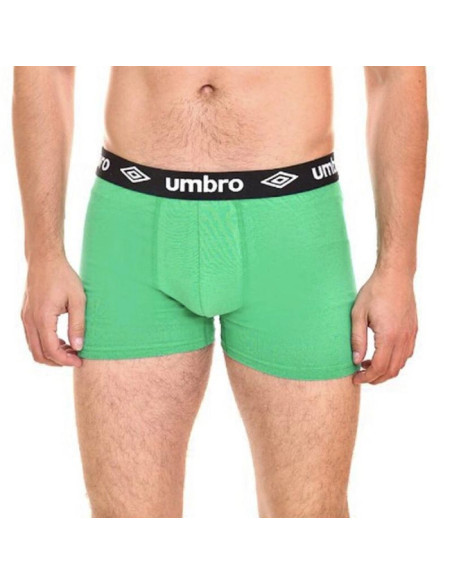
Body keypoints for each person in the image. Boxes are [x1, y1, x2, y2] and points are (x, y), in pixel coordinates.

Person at [13, 67, 427, 518]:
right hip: (133, 223)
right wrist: (43, 254)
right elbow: (46, 65)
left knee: (311, 519)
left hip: (292, 230)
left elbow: (394, 74)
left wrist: (397, 269)